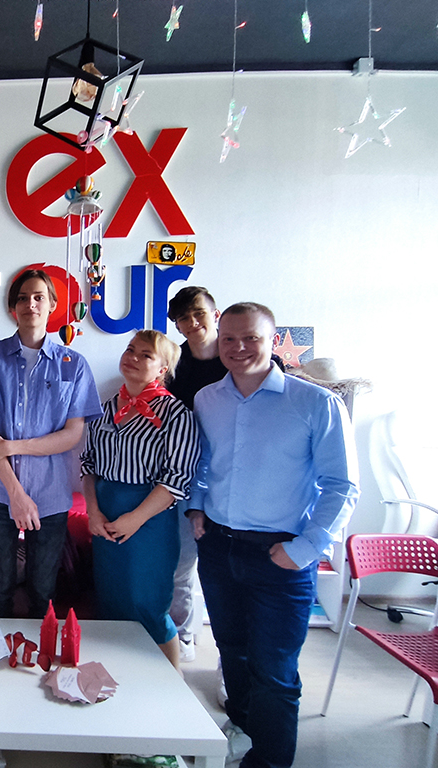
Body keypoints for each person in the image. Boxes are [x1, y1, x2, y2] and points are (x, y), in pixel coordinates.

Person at [190, 302, 359, 768]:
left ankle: (269, 759)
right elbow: (203, 465)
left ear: (272, 340)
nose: (239, 347)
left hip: (280, 555)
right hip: (219, 548)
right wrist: (196, 507)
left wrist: (306, 548)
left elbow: (342, 486)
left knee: (275, 671)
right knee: (232, 651)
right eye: (229, 339)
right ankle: (244, 726)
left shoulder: (315, 403)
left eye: (251, 338)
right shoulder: (208, 399)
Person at [0, 269, 102, 619]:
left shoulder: (73, 365)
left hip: (51, 495)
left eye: (39, 297)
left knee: (43, 593)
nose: (31, 304)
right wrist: (17, 495)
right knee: (1, 590)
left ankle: (39, 652)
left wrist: (12, 447)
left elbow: (72, 435)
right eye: (23, 298)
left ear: (52, 305)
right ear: (13, 307)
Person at [80, 330, 200, 671]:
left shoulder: (176, 414)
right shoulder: (105, 410)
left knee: (148, 606)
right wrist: (93, 512)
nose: (133, 357)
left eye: (146, 355)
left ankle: (170, 687)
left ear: (162, 369)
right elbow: (88, 465)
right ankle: (119, 678)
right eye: (131, 349)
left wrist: (134, 518)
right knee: (112, 603)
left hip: (150, 522)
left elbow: (176, 478)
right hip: (105, 516)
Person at [165, 286, 227, 663]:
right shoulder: (175, 363)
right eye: (183, 318)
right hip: (186, 476)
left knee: (225, 574)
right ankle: (183, 636)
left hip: (230, 479)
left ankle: (227, 656)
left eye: (198, 313)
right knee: (182, 564)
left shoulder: (236, 357)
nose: (192, 322)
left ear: (215, 314)